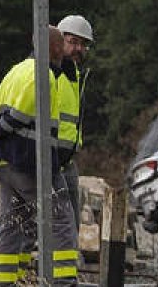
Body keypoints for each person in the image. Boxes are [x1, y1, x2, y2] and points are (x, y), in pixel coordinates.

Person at [0, 26, 78, 286]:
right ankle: (64, 282)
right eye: (61, 45)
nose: (64, 51)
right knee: (61, 220)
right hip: (30, 162)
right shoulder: (43, 75)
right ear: (54, 47)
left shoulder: (16, 70)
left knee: (10, 225)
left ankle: (3, 282)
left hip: (7, 164)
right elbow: (17, 117)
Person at [54, 15, 92, 230]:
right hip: (45, 160)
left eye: (83, 44)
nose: (79, 48)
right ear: (59, 41)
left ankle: (67, 263)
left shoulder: (77, 76)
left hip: (66, 162)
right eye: (73, 42)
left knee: (70, 226)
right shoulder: (49, 73)